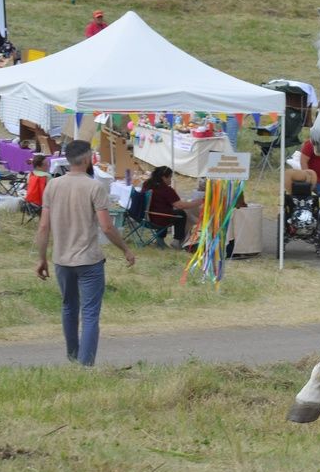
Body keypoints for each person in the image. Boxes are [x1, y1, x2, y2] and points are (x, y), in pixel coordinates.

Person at [35, 140, 135, 366]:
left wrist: (41, 258)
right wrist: (126, 249)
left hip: (62, 259)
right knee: (90, 314)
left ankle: (73, 356)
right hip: (89, 260)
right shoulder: (94, 187)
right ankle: (85, 364)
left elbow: (43, 227)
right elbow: (107, 227)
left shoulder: (53, 186)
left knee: (69, 307)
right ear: (89, 158)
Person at [141, 166, 201, 248]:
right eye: (170, 177)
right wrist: (198, 202)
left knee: (167, 211)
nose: (170, 180)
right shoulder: (166, 189)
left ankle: (160, 240)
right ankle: (177, 241)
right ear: (163, 177)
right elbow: (180, 205)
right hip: (157, 218)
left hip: (145, 215)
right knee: (181, 214)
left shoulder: (147, 183)